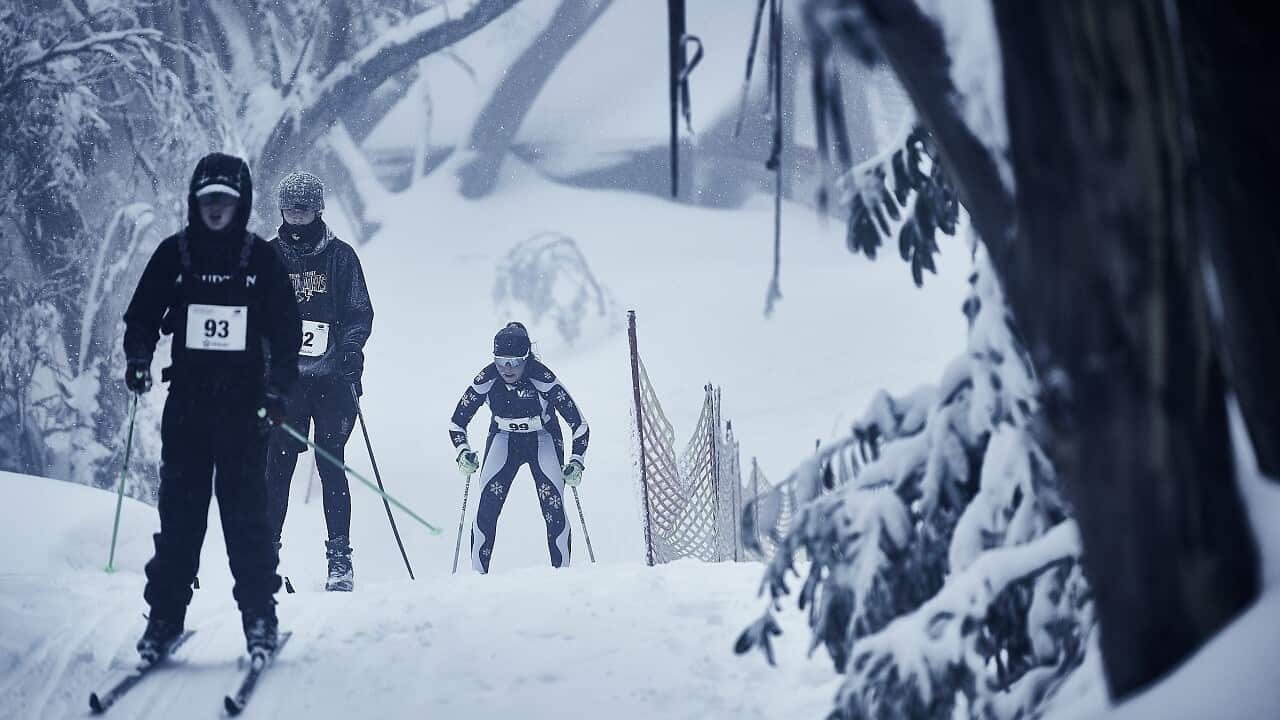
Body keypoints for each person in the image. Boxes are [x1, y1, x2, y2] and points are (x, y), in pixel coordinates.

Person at [122, 152, 301, 662]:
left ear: (241, 202)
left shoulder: (262, 261)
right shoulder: (174, 254)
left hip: (245, 413)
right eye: (208, 201)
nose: (216, 210)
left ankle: (260, 620)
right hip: (188, 410)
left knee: (247, 521)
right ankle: (163, 621)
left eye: (225, 200)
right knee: (180, 519)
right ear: (194, 203)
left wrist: (277, 395)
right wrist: (138, 359)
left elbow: (288, 337)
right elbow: (140, 316)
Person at [264, 171, 373, 592]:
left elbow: (360, 312)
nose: (296, 217)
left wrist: (350, 353)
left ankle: (340, 559)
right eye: (290, 209)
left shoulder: (341, 257)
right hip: (287, 384)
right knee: (278, 470)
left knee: (332, 468)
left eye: (304, 210)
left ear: (318, 210)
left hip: (330, 383)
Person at [449, 322, 590, 573]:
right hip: (504, 438)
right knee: (487, 507)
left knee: (553, 505)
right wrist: (463, 452)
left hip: (543, 438)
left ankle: (563, 576)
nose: (507, 368)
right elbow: (457, 422)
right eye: (501, 360)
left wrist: (577, 461)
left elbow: (579, 424)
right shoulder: (487, 377)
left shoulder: (541, 377)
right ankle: (476, 579)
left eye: (515, 361)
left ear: (527, 358)